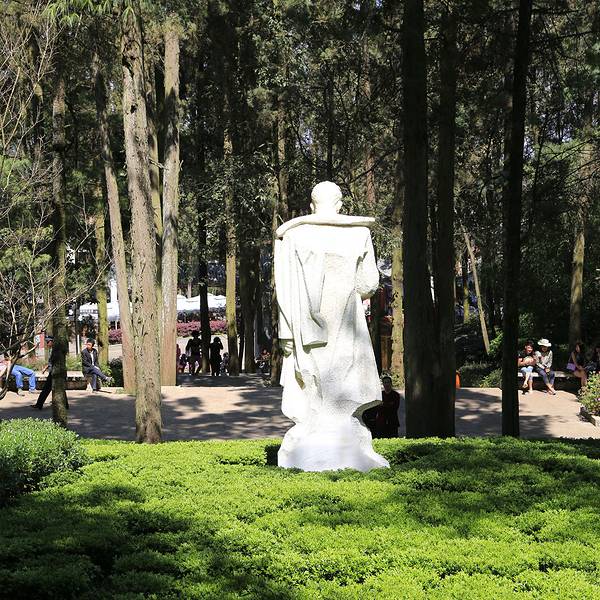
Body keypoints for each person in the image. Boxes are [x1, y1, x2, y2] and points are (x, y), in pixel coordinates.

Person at [274, 181, 389, 471]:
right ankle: (341, 436)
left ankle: (315, 434)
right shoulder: (359, 233)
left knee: (313, 380)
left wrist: (285, 331)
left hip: (306, 325)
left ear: (312, 205)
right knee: (345, 377)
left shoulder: (294, 235)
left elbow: (283, 289)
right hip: (347, 319)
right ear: (339, 205)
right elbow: (368, 284)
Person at [32, 336, 68, 410]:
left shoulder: (56, 350)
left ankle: (39, 405)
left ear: (52, 342)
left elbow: (55, 362)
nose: (47, 344)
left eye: (48, 342)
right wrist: (45, 368)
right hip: (54, 372)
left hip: (56, 373)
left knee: (48, 389)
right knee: (56, 389)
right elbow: (51, 362)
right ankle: (65, 405)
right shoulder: (54, 350)